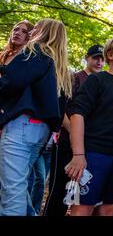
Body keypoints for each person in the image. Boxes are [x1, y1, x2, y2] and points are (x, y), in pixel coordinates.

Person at [0, 19, 71, 216]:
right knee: (19, 188)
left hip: (21, 128)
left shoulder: (35, 51)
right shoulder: (60, 66)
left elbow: (10, 81)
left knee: (12, 194)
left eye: (36, 28)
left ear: (45, 32)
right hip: (40, 132)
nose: (32, 32)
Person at [65, 38, 113, 216]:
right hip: (93, 154)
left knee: (111, 208)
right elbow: (77, 115)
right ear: (110, 55)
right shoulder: (96, 81)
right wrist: (78, 154)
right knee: (82, 206)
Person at [44, 45, 105, 216]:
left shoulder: (103, 82)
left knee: (80, 196)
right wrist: (74, 132)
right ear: (87, 58)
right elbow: (60, 109)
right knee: (59, 192)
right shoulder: (73, 78)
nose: (99, 62)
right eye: (95, 58)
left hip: (90, 148)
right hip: (66, 143)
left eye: (102, 59)